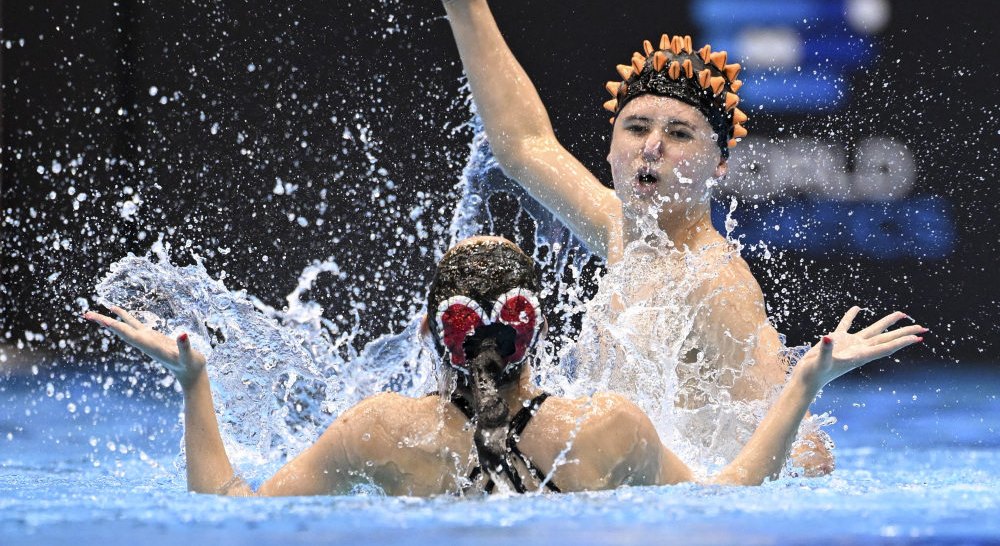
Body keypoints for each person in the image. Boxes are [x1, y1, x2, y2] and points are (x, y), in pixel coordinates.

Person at [377, 0, 836, 471]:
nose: (652, 146)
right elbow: (524, 145)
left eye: (680, 134)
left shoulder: (717, 282)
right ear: (613, 147)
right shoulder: (623, 231)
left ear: (721, 164)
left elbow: (808, 458)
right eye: (637, 127)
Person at [84, 236, 922, 496]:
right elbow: (734, 493)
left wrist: (196, 382)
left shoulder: (379, 429)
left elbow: (231, 511)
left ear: (427, 333)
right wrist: (804, 378)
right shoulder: (608, 427)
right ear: (536, 329)